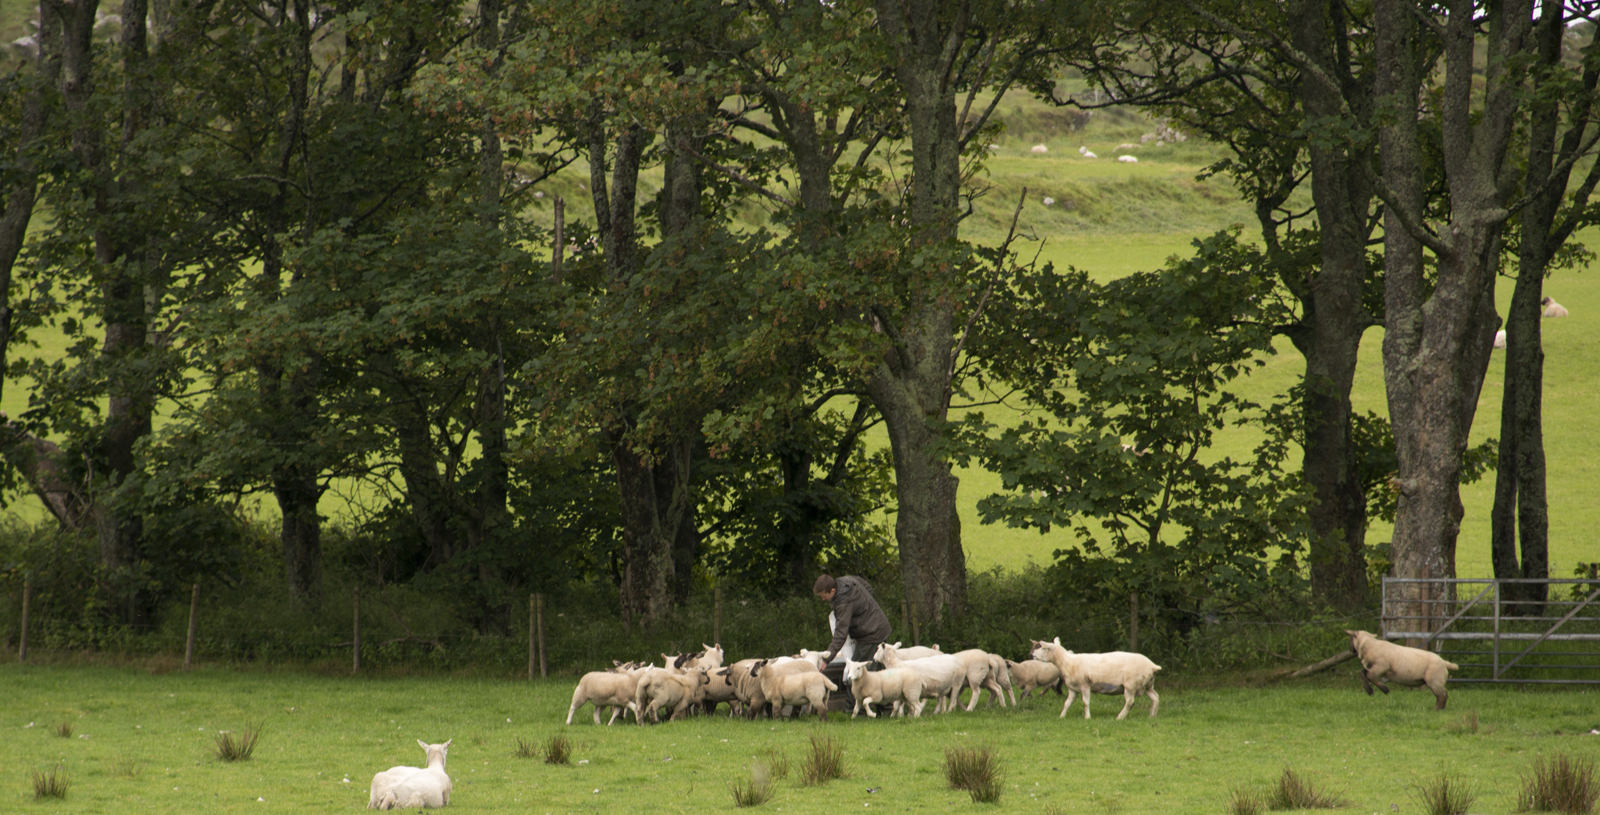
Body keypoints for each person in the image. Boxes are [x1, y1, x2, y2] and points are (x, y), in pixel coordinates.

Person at [813, 574, 892, 666]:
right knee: (876, 671)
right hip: (877, 626)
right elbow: (868, 588)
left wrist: (826, 660)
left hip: (871, 635)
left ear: (832, 590)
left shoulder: (843, 604)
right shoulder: (846, 581)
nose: (823, 599)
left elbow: (840, 634)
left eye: (824, 596)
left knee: (859, 676)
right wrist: (864, 608)